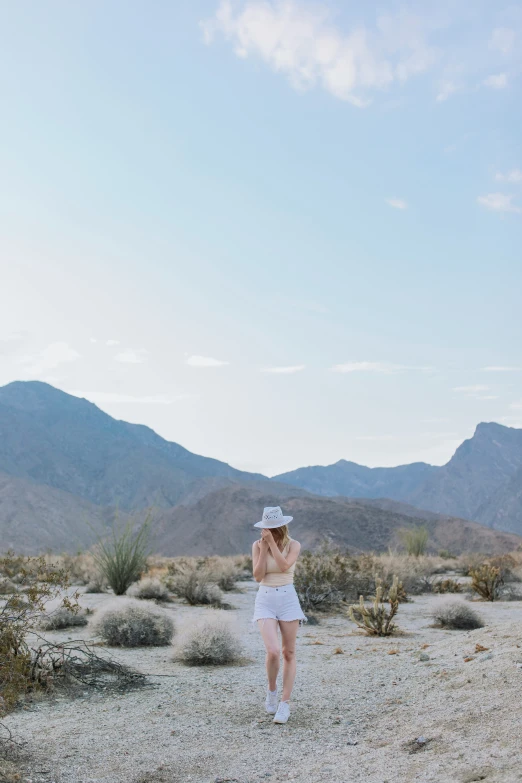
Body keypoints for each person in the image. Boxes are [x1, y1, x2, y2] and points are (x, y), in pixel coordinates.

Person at [251, 506, 307, 724]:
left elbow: (284, 566)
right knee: (273, 651)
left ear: (282, 526)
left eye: (273, 528)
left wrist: (272, 544)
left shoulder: (294, 545)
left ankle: (284, 704)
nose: (270, 531)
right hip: (265, 598)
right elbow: (257, 576)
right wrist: (263, 549)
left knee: (289, 652)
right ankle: (272, 690)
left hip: (287, 598)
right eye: (267, 528)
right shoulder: (257, 545)